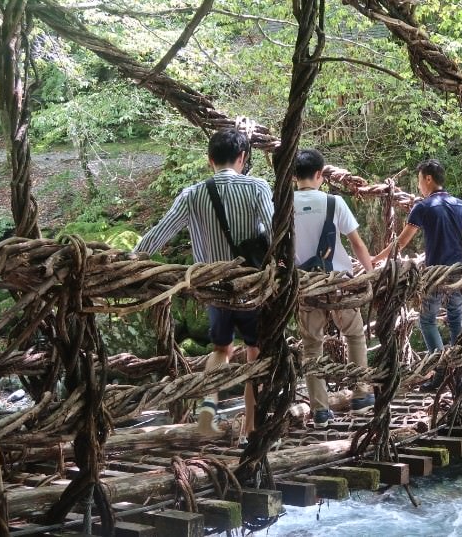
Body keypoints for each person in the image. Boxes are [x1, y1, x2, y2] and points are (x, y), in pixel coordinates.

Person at [132, 127, 273, 444]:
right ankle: (252, 427)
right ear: (243, 157)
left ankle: (208, 404)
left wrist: (131, 258)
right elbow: (276, 230)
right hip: (251, 288)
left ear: (210, 160)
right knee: (255, 352)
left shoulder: (193, 194)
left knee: (221, 349)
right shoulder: (257, 187)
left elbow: (160, 233)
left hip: (215, 288)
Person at [372, 158, 462, 391]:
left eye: (420, 181)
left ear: (428, 179)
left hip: (434, 275)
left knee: (427, 320)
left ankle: (440, 370)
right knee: (456, 320)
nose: (419, 186)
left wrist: (375, 259)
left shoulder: (423, 207)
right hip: (458, 273)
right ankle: (458, 376)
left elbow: (402, 241)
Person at [293, 149, 375, 428]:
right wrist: (371, 272)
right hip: (340, 284)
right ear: (319, 175)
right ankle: (362, 394)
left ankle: (320, 410)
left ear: (293, 176)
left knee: (312, 348)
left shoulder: (282, 205)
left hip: (306, 287)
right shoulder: (333, 202)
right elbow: (357, 243)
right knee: (354, 336)